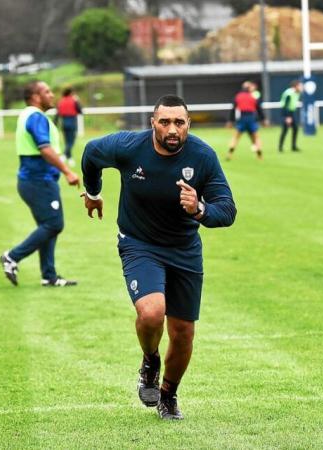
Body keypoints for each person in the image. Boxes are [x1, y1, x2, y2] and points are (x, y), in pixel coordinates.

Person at [80, 95, 237, 419]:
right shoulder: (129, 146)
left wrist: (200, 208)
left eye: (179, 122)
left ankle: (168, 395)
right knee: (152, 313)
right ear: (153, 122)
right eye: (164, 121)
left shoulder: (203, 157)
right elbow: (91, 153)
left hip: (184, 249)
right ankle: (150, 360)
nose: (172, 128)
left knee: (183, 333)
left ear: (188, 125)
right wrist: (94, 193)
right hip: (139, 243)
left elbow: (228, 209)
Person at [0, 80, 80, 287]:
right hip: (39, 181)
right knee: (54, 224)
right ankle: (12, 257)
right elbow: (44, 148)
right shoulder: (35, 117)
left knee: (48, 226)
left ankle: (49, 275)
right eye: (47, 91)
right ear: (35, 97)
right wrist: (67, 171)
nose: (52, 95)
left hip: (34, 181)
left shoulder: (30, 115)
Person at [226, 81, 265, 161]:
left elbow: (233, 109)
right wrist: (263, 119)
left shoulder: (238, 96)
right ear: (249, 88)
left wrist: (230, 121)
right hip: (251, 118)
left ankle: (229, 154)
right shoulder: (253, 97)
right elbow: (259, 109)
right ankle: (259, 156)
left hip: (242, 118)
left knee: (236, 137)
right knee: (256, 138)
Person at [56, 87, 83, 166]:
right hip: (72, 121)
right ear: (70, 93)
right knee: (71, 142)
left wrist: (55, 124)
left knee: (67, 141)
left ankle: (70, 158)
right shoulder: (74, 101)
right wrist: (77, 101)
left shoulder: (61, 101)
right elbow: (80, 111)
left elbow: (57, 114)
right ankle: (64, 155)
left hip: (63, 122)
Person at [278, 80, 302, 152]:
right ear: (295, 86)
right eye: (299, 86)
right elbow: (286, 105)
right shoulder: (289, 93)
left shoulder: (296, 93)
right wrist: (287, 117)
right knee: (285, 130)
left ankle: (293, 146)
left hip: (291, 112)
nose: (301, 87)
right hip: (286, 112)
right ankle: (280, 147)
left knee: (295, 129)